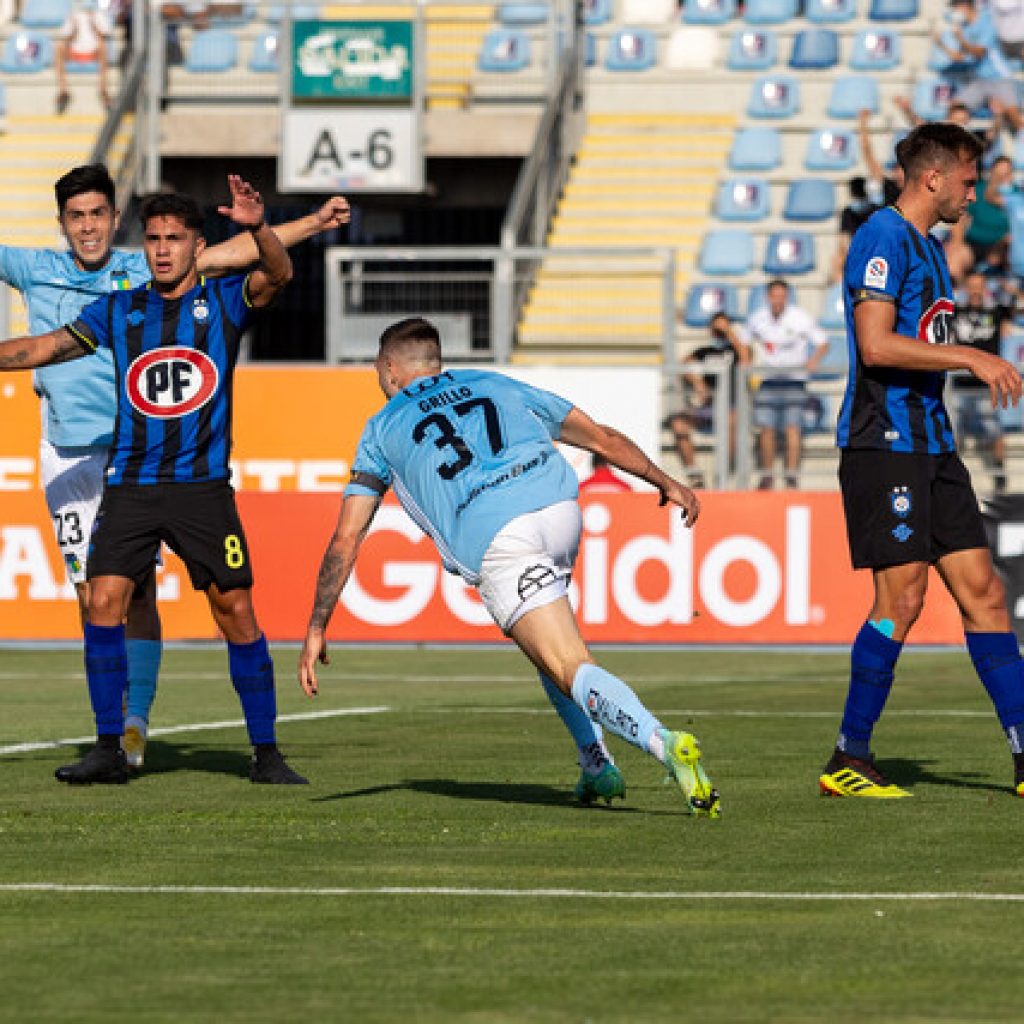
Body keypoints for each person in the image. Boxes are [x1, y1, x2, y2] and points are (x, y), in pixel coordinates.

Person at [0, 163, 350, 772]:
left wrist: (264, 224)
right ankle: (111, 745)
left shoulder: (224, 301)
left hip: (201, 491)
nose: (162, 250)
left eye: (174, 239)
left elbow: (278, 272)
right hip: (130, 486)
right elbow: (41, 348)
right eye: (155, 239)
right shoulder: (118, 310)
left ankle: (265, 751)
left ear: (198, 246)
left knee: (235, 608)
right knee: (103, 600)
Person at [297, 317, 721, 816]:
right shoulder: (493, 383)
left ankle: (662, 742)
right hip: (559, 510)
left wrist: (317, 625)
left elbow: (348, 536)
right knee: (547, 651)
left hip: (500, 536)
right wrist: (663, 479)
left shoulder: (382, 427)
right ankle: (594, 764)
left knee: (569, 663)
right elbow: (601, 438)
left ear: (388, 368)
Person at [823, 121, 1024, 800]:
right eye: (968, 180)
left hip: (933, 447)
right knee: (901, 599)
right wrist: (969, 354)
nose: (974, 191)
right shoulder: (882, 236)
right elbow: (876, 346)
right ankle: (848, 758)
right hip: (884, 444)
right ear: (933, 177)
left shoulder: (930, 249)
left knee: (986, 594)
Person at [743, 280, 829, 490]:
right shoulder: (758, 318)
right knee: (766, 430)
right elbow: (743, 341)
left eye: (782, 296)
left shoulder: (800, 317)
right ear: (768, 297)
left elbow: (823, 342)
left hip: (794, 382)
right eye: (775, 296)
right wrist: (746, 359)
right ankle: (767, 475)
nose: (778, 300)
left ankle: (791, 476)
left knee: (793, 429)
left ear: (787, 297)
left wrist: (813, 362)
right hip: (768, 381)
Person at [666, 311, 747, 488]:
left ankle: (723, 475)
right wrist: (697, 381)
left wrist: (730, 333)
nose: (719, 331)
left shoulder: (736, 349)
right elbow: (683, 364)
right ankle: (694, 474)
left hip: (729, 405)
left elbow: (746, 360)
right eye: (716, 327)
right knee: (679, 424)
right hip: (707, 406)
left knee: (732, 421)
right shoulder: (704, 351)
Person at [951, 270, 1013, 492]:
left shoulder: (995, 312)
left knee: (994, 429)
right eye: (972, 286)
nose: (976, 290)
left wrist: (1009, 290)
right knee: (952, 430)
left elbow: (1017, 306)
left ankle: (999, 471)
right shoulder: (956, 311)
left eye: (979, 286)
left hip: (986, 386)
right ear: (966, 288)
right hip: (958, 384)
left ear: (985, 288)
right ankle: (951, 475)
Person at [54, 0, 114, 115]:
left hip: (93, 52)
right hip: (76, 51)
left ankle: (103, 89)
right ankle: (63, 90)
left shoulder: (99, 15)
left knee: (103, 46)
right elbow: (66, 37)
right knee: (59, 47)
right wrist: (74, 30)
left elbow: (105, 35)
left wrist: (94, 26)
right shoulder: (73, 16)